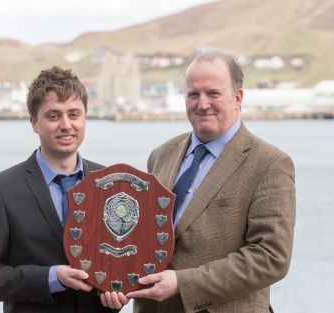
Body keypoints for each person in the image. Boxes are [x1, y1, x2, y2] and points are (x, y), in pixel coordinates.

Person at [104, 46, 296, 312]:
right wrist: (115, 281)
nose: (202, 103)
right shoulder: (161, 155)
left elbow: (271, 257)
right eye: (193, 94)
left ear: (238, 98)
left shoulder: (269, 163)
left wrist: (183, 283)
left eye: (213, 93)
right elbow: (143, 239)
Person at [0, 66, 118, 313]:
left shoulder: (112, 183)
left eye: (74, 114)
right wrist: (51, 277)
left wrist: (118, 295)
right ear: (33, 122)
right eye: (53, 116)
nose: (66, 125)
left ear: (85, 118)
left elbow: (119, 262)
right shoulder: (0, 189)